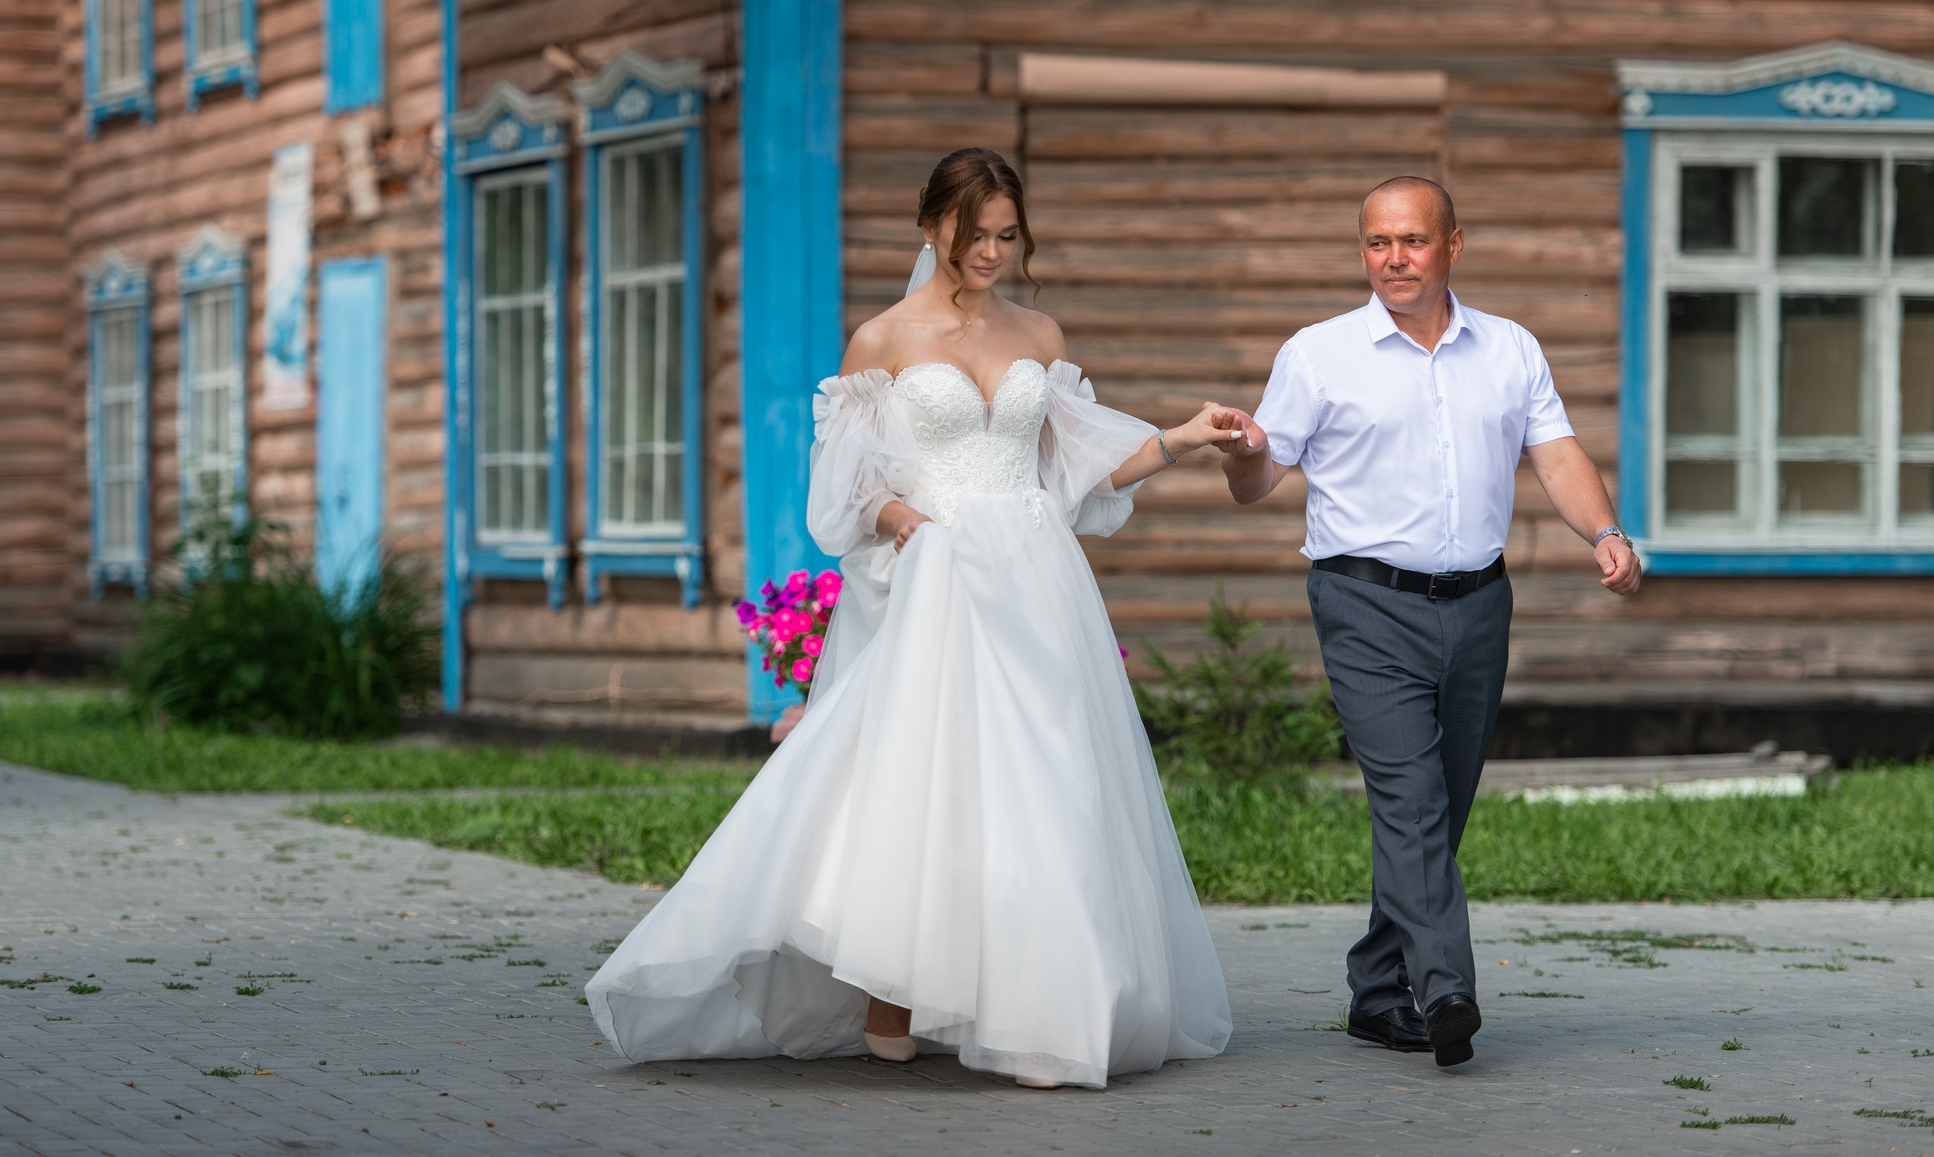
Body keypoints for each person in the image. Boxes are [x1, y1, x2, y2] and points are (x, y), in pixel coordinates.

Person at [585, 148, 1237, 1089]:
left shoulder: (1040, 332)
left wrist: (1178, 439)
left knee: (1044, 777)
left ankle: (1045, 1009)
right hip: (936, 574)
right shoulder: (881, 340)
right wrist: (908, 523)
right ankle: (892, 995)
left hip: (1035, 573)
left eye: (1009, 236)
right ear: (933, 226)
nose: (993, 253)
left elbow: (1078, 467)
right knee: (924, 778)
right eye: (976, 235)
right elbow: (847, 490)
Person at [1210, 176, 1642, 1069]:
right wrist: (1243, 455)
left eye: (1411, 240)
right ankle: (1445, 987)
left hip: (1479, 605)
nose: (1393, 258)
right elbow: (1261, 477)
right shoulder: (1318, 354)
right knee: (1411, 802)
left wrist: (1602, 530)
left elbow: (1555, 452)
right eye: (1376, 243)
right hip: (1363, 601)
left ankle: (1376, 987)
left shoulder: (1510, 349)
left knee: (1438, 810)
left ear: (1452, 243)